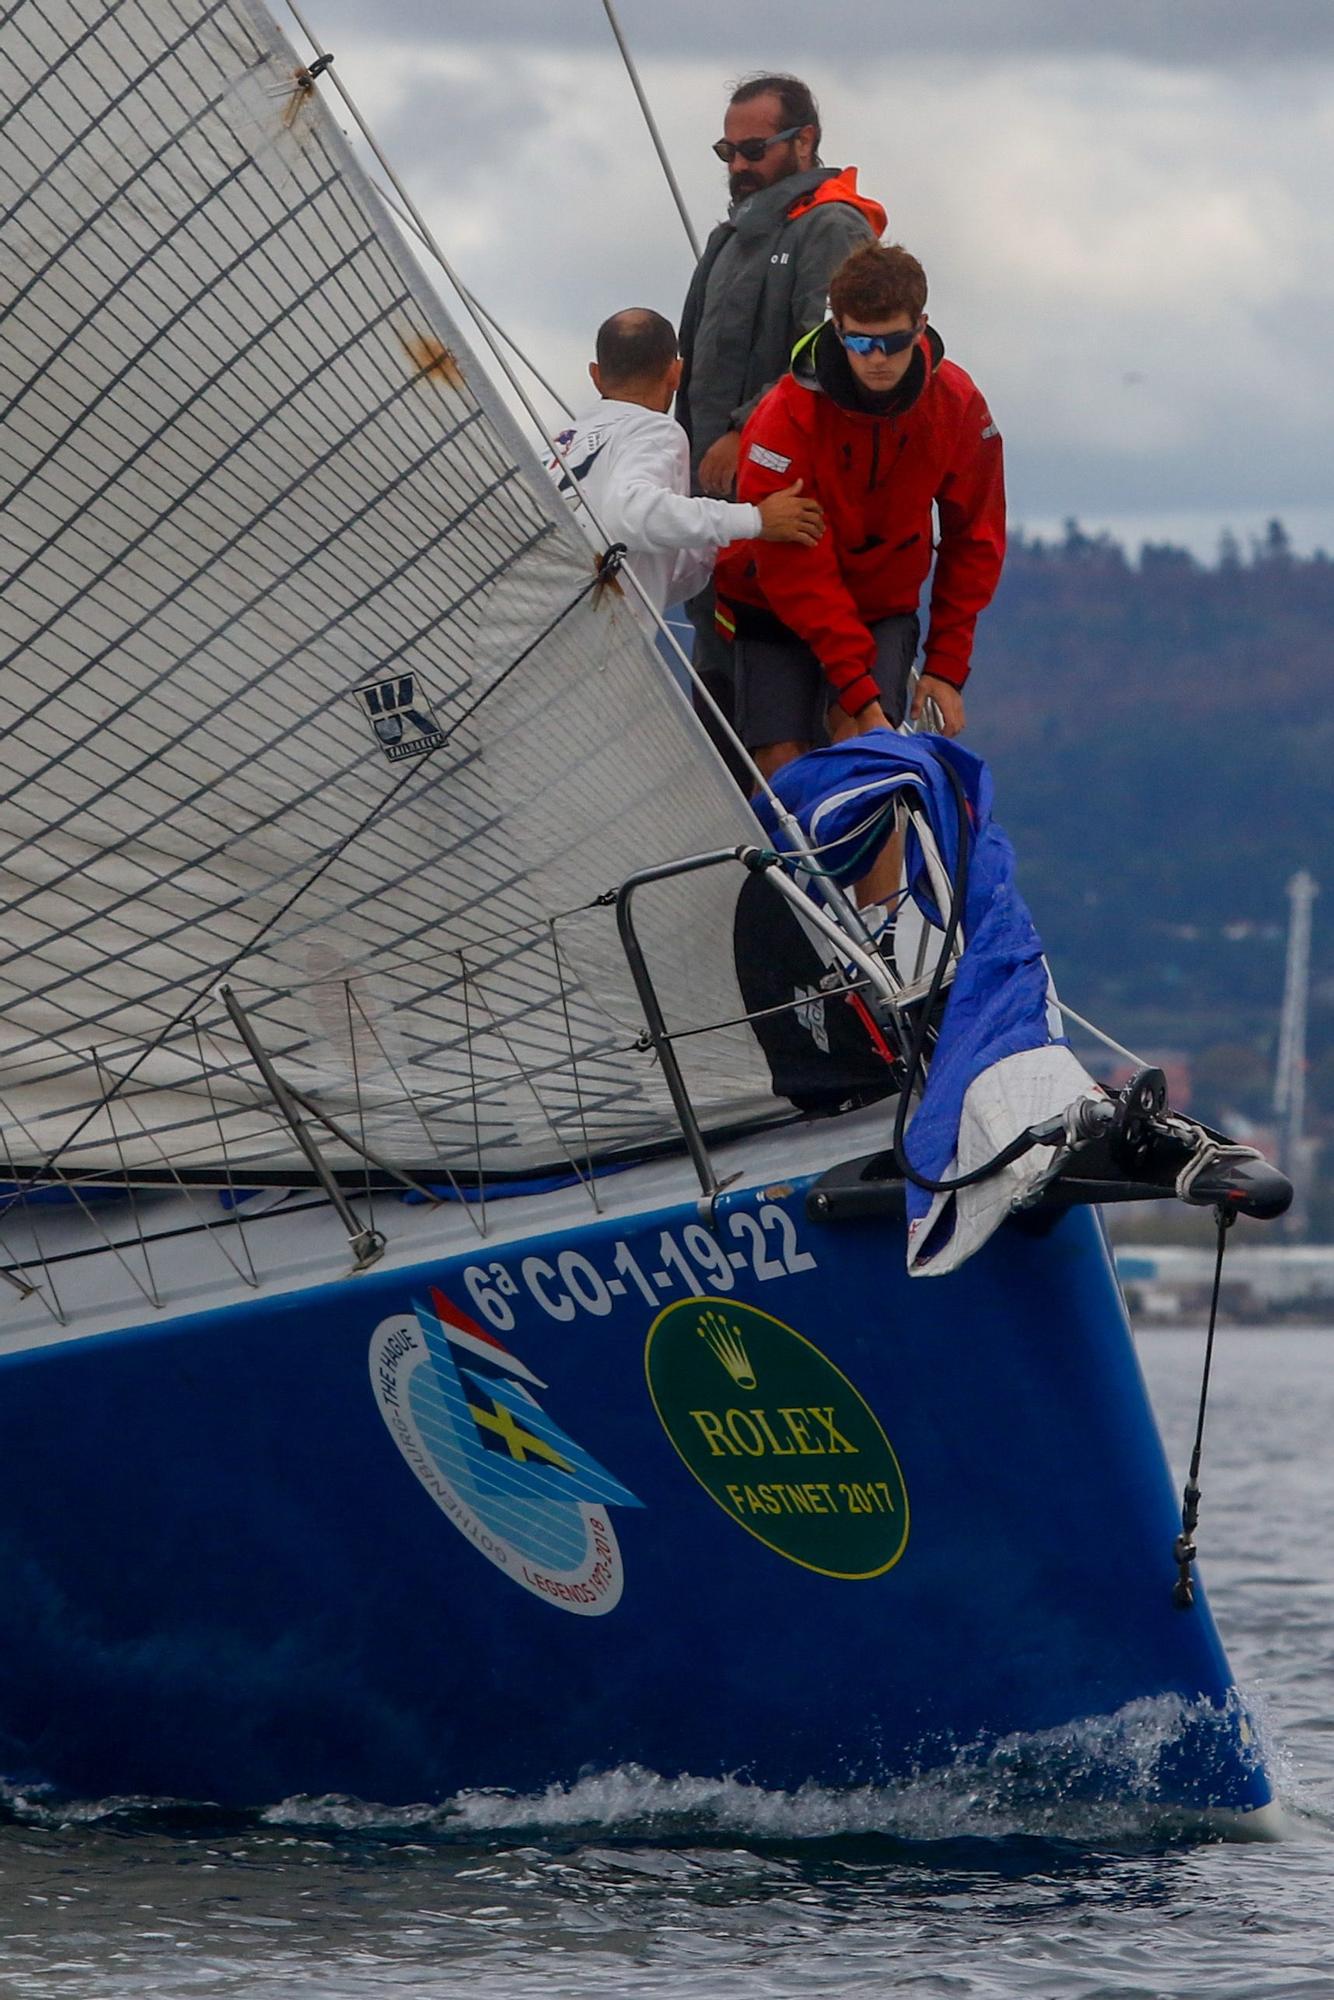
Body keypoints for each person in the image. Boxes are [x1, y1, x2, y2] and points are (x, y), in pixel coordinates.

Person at [715, 241, 1005, 782]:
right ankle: (780, 868)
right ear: (836, 328)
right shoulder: (785, 415)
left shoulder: (957, 404)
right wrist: (857, 684)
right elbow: (794, 566)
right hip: (773, 597)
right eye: (859, 341)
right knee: (782, 765)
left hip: (881, 599)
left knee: (866, 755)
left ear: (921, 327)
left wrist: (946, 666)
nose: (876, 358)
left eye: (892, 342)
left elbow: (975, 537)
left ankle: (866, 865)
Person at [675, 75, 887, 755]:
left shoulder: (833, 226)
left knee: (795, 727)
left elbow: (826, 351)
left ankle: (805, 856)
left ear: (805, 143)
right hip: (715, 517)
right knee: (721, 703)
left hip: (788, 513)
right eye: (727, 151)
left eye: (755, 148)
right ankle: (736, 859)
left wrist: (743, 428)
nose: (739, 166)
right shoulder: (729, 240)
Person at [551, 308, 823, 630]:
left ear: (595, 374)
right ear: (676, 373)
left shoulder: (558, 445)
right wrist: (755, 520)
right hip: (586, 648)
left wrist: (708, 546)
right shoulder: (655, 430)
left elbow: (661, 574)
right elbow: (632, 512)